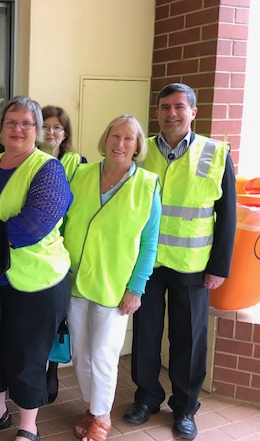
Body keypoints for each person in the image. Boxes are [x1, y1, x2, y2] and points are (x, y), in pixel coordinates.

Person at [123, 83, 236, 440]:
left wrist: (219, 267)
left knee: (189, 339)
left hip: (193, 265)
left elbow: (228, 214)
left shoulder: (216, 153)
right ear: (157, 112)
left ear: (193, 112)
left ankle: (185, 408)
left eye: (178, 107)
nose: (171, 113)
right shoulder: (141, 152)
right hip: (149, 264)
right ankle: (146, 398)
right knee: (145, 335)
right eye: (164, 107)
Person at [0, 97, 72, 441]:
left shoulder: (47, 169)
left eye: (27, 123)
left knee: (26, 357)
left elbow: (31, 227)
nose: (18, 129)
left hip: (35, 281)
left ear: (38, 130)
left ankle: (28, 425)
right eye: (11, 122)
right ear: (0, 128)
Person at [64, 115, 161, 441]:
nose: (120, 143)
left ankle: (102, 415)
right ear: (105, 139)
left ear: (137, 147)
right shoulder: (81, 173)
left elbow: (150, 242)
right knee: (80, 353)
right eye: (115, 136)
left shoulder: (147, 185)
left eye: (128, 139)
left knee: (103, 355)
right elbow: (64, 222)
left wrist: (137, 287)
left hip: (114, 285)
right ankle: (93, 407)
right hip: (76, 281)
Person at [40, 104, 86, 404]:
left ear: (65, 133)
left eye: (58, 127)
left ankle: (52, 370)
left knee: (61, 319)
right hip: (35, 250)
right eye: (47, 126)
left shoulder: (78, 163)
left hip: (67, 248)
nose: (52, 132)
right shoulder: (26, 159)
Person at [40, 105, 85, 180]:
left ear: (65, 135)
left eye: (56, 127)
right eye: (44, 126)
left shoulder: (78, 162)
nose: (50, 132)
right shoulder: (26, 159)